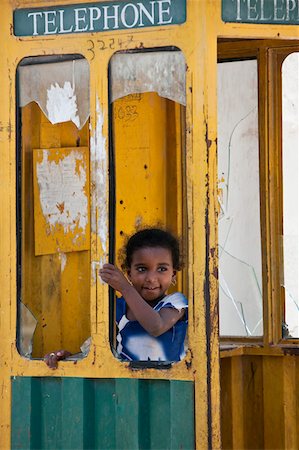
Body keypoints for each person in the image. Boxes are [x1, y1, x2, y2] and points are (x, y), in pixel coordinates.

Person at [44, 228, 188, 368]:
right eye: (142, 269)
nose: (151, 278)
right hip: (126, 389)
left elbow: (156, 326)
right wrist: (68, 360)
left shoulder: (176, 303)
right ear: (129, 273)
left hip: (168, 390)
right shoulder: (116, 308)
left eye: (162, 269)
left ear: (173, 275)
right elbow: (96, 354)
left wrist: (125, 287)